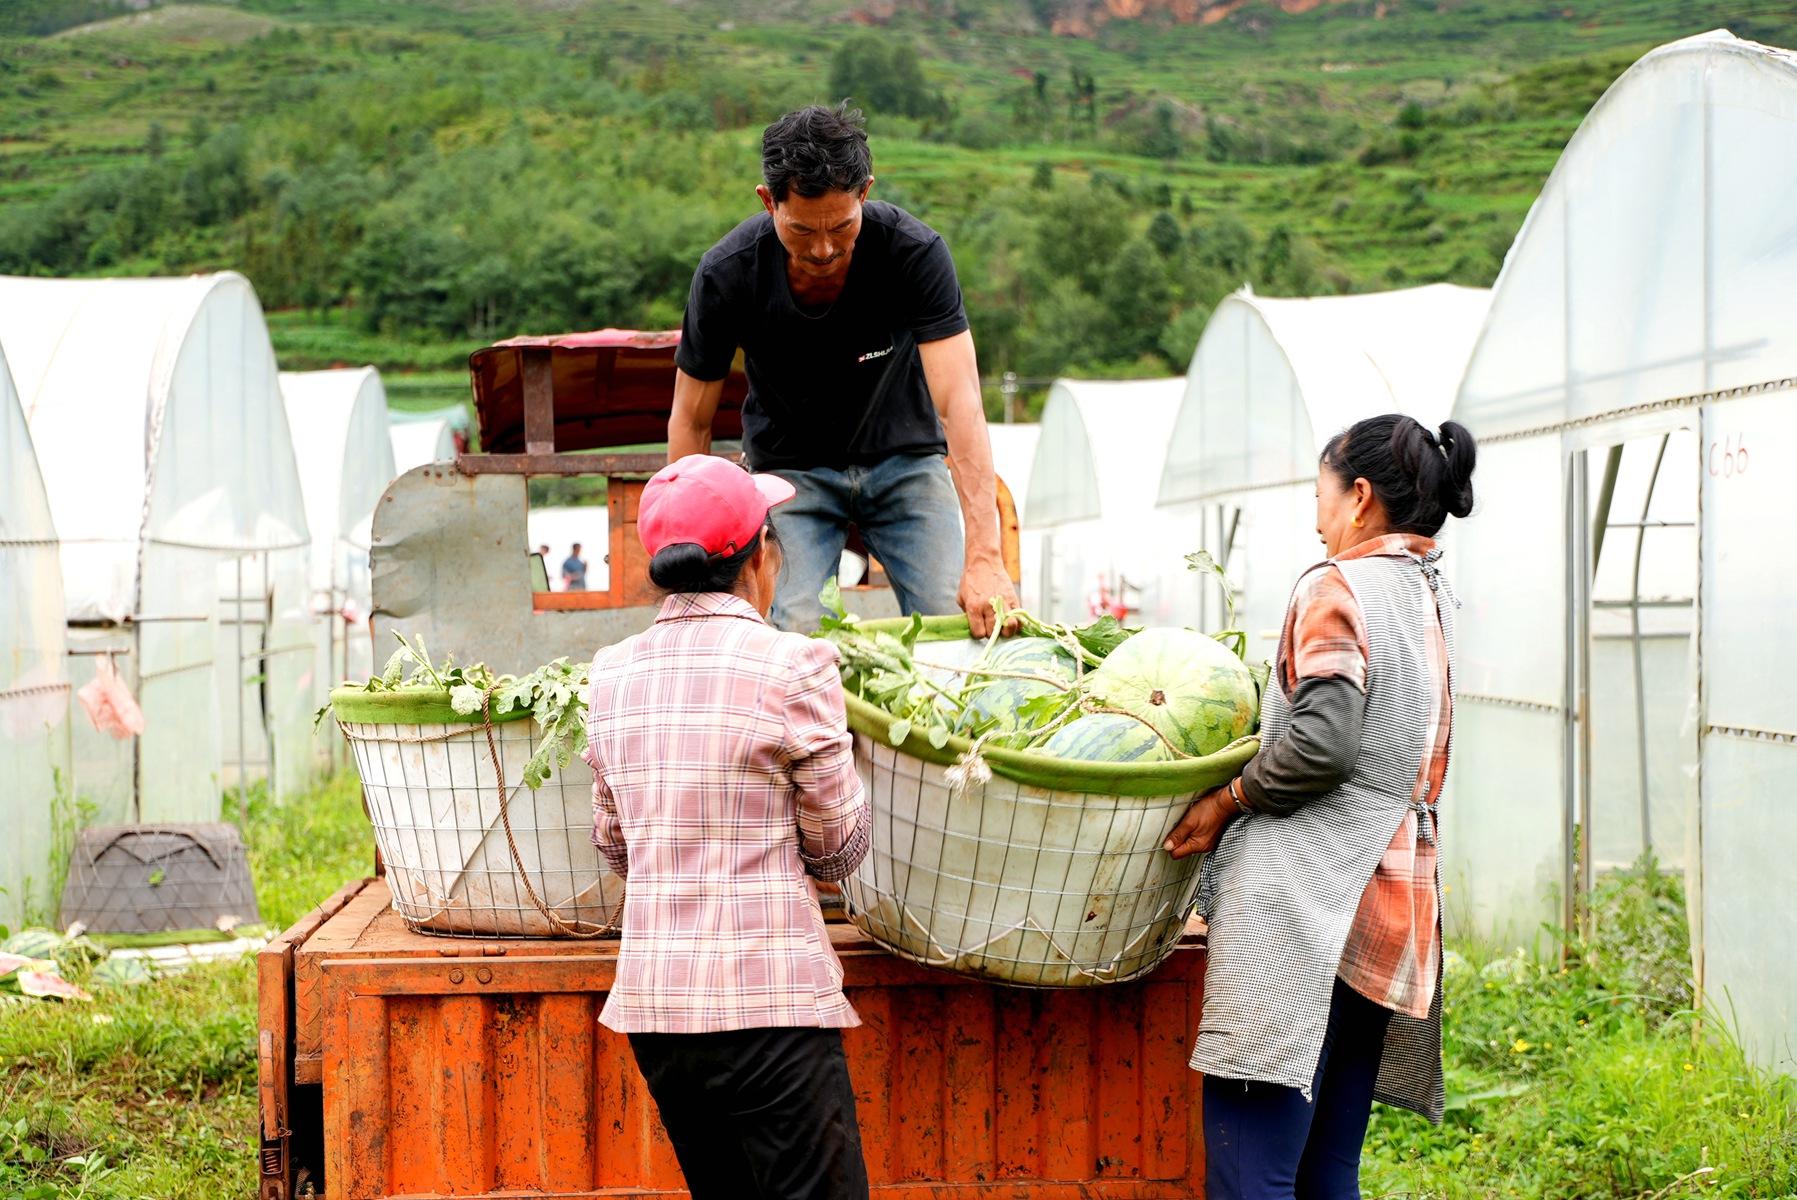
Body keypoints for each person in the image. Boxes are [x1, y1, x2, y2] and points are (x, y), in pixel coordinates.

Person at [1163, 415, 1477, 1200]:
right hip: (1387, 899)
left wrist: (1226, 799)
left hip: (1305, 906)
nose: (1314, 515)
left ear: (1359, 496)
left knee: (1253, 1174)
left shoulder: (1336, 586)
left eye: (1319, 494)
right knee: (1327, 1168)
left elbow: (1320, 748)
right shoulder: (1426, 592)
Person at [583, 454, 873, 1200]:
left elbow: (615, 845)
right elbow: (839, 848)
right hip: (769, 1008)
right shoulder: (795, 666)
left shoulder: (609, 674)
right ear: (760, 558)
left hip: (660, 1016)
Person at [667, 103, 1017, 637]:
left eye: (842, 226)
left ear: (865, 192)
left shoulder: (914, 253)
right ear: (769, 201)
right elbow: (691, 421)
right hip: (790, 471)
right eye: (802, 230)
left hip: (906, 459)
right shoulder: (727, 273)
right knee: (800, 631)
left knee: (959, 618)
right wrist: (689, 561)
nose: (825, 248)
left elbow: (961, 402)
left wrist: (986, 556)